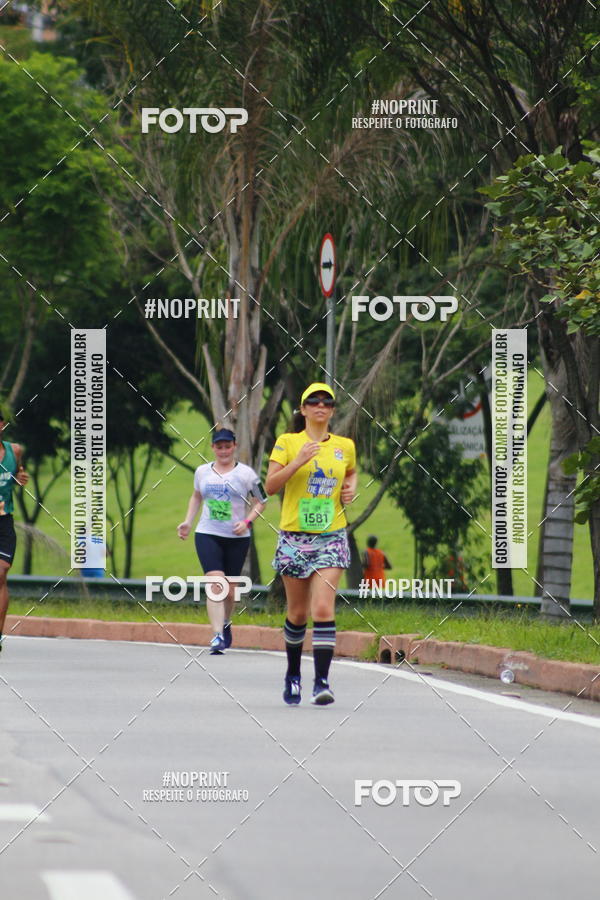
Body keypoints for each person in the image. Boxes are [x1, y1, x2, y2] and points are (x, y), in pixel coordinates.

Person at [266, 382, 357, 706]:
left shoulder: (344, 445)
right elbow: (271, 486)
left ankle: (322, 681)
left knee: (322, 608)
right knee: (298, 613)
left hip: (331, 535)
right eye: (313, 401)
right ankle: (293, 675)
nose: (321, 406)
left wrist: (350, 489)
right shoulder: (288, 442)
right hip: (294, 536)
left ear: (332, 410)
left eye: (327, 402)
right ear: (303, 409)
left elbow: (350, 473)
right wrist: (298, 462)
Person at [177, 427, 266, 654]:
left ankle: (226, 622)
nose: (224, 451)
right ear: (213, 447)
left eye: (228, 446)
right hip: (208, 533)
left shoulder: (247, 474)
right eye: (219, 446)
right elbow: (196, 496)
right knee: (216, 584)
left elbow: (261, 501)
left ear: (234, 446)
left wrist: (247, 522)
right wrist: (188, 521)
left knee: (229, 590)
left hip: (237, 538)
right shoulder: (202, 472)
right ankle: (216, 635)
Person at [0, 406, 29, 655]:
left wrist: (19, 478)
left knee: (2, 572)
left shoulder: (14, 451)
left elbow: (18, 474)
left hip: (4, 521)